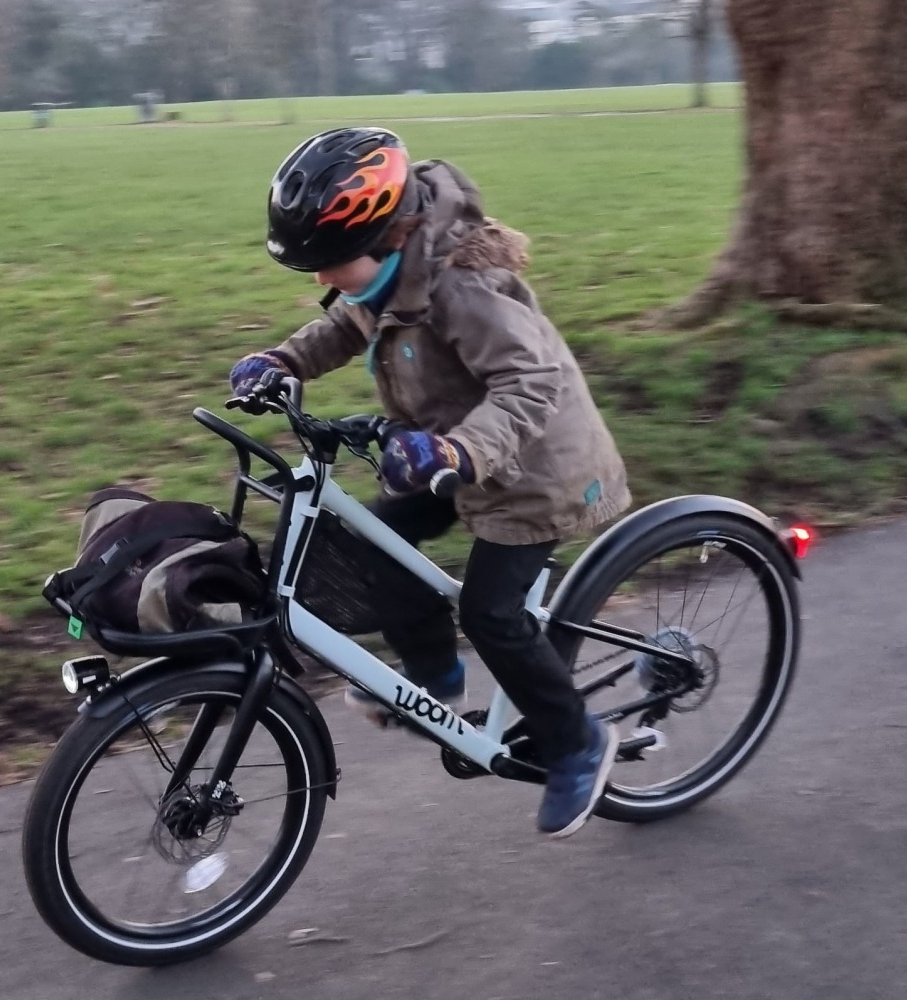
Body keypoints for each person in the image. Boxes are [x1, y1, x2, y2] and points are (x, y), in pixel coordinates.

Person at [228, 126, 632, 839]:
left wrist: (456, 450)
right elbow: (349, 325)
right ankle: (435, 679)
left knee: (492, 615)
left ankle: (578, 743)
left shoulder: (463, 287)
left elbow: (531, 383)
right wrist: (282, 361)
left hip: (538, 469)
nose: (322, 279)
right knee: (376, 542)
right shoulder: (391, 275)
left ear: (387, 235)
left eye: (330, 263)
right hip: (447, 452)